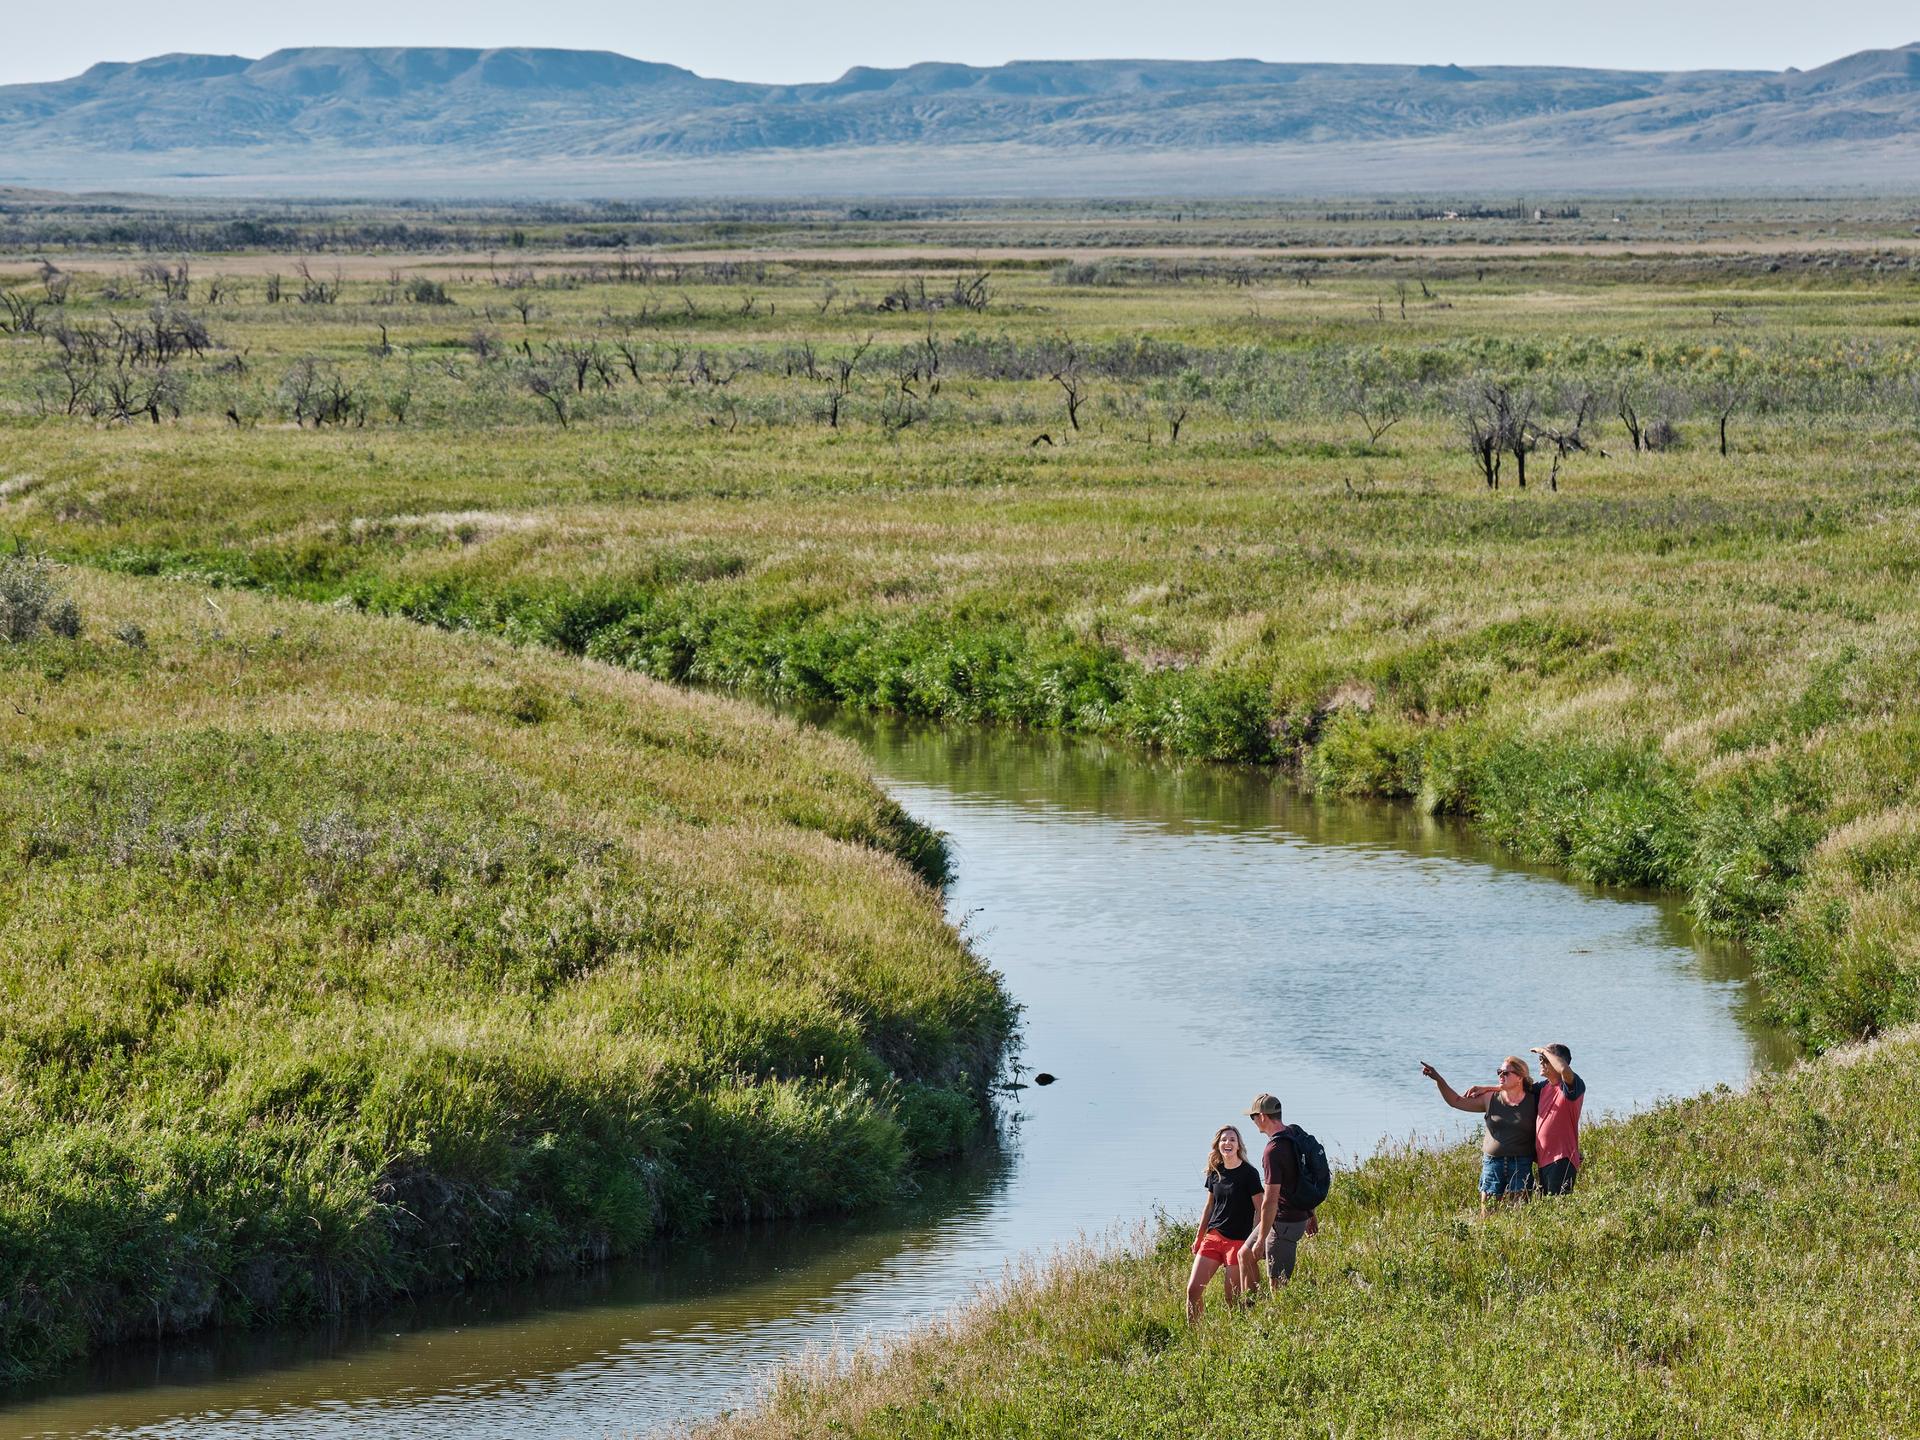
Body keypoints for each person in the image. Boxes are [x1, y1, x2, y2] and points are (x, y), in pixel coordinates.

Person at [1420, 1055, 1537, 1212]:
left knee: (1520, 1213)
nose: (1501, 1075)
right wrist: (1438, 1079)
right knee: (1488, 1213)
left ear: (1520, 1077)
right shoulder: (1490, 1098)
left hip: (1521, 1163)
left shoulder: (1534, 1100)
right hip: (1493, 1163)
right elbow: (1456, 1101)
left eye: (1506, 1073)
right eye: (1499, 1072)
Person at [1242, 1093, 1319, 1292]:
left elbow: (1270, 1201)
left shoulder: (1273, 1151)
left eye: (1253, 1117)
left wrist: (1261, 1239)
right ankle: (1251, 1308)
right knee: (1244, 1255)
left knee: (1278, 1286)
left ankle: (1275, 1316)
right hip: (1291, 1217)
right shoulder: (1293, 1133)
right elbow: (1304, 1177)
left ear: (1262, 1117)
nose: (1253, 1122)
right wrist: (1310, 1211)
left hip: (1285, 1223)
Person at [1186, 1123, 1263, 1322]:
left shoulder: (1249, 1174)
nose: (1227, 1143)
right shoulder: (1215, 1172)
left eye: (1232, 1139)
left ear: (1238, 1146)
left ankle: (1236, 1336)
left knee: (1232, 1299)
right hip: (1213, 1238)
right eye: (1223, 1140)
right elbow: (1209, 1206)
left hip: (1237, 1243)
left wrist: (1253, 1242)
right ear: (1218, 1145)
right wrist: (1199, 1236)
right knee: (1193, 1291)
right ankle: (1195, 1338)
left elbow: (1260, 1209)